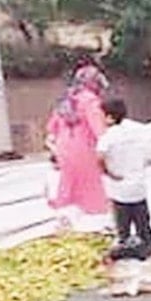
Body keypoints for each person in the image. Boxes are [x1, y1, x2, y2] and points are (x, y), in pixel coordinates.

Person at [46, 63, 110, 215]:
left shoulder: (66, 100)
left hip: (64, 149)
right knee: (90, 187)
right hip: (84, 150)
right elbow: (99, 130)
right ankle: (96, 220)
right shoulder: (90, 101)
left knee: (68, 185)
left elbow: (51, 129)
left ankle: (64, 218)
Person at [96, 98, 151, 259]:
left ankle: (126, 245)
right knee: (142, 218)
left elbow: (99, 158)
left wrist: (108, 173)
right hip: (138, 184)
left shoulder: (108, 137)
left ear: (109, 117)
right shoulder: (137, 129)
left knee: (123, 221)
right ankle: (146, 244)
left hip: (119, 186)